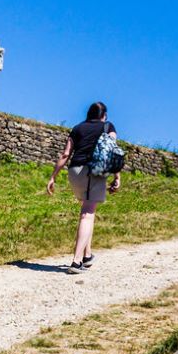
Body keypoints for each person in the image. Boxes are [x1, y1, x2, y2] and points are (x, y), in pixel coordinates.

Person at [47, 101, 122, 275]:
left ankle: (87, 255)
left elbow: (66, 154)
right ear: (104, 116)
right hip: (93, 171)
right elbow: (112, 152)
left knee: (87, 209)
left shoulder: (77, 128)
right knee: (87, 214)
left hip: (74, 171)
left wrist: (53, 177)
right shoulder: (108, 126)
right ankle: (76, 261)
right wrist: (117, 177)